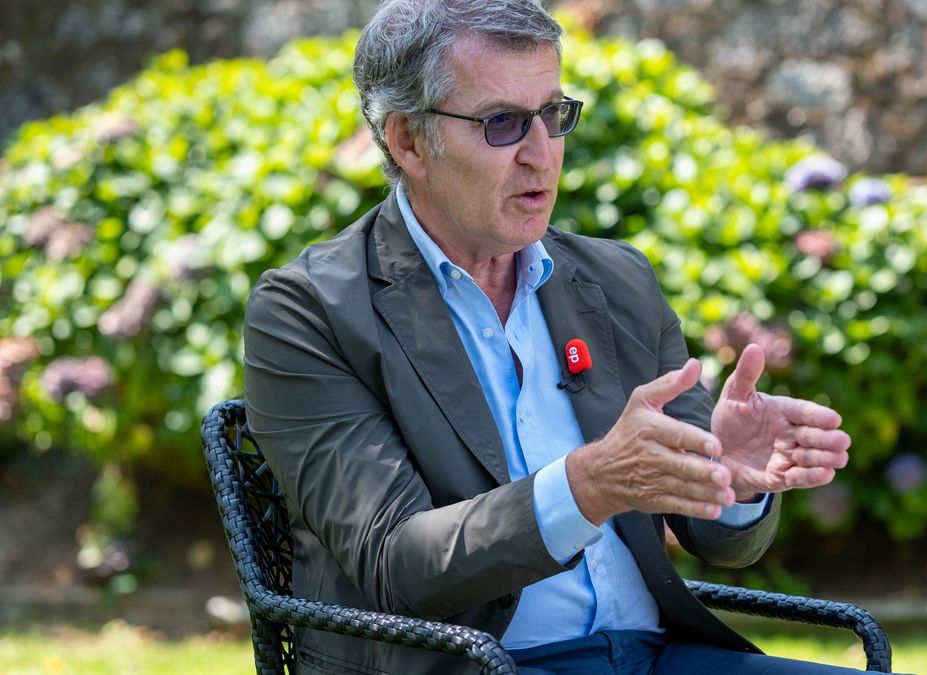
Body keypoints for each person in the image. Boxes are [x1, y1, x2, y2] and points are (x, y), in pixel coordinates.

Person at [243, 1, 857, 673]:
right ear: (409, 141)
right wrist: (588, 484)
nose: (542, 154)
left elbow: (719, 542)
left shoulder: (616, 280)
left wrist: (729, 478)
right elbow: (398, 564)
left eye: (554, 114)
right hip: (479, 663)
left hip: (661, 655)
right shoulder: (312, 308)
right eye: (502, 122)